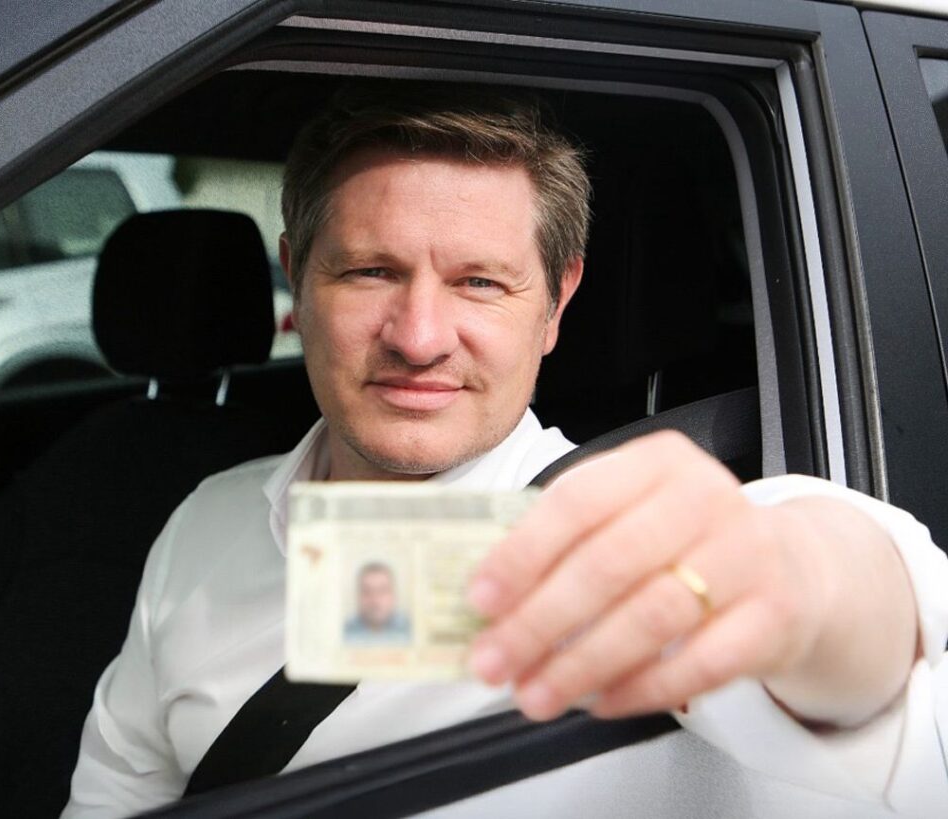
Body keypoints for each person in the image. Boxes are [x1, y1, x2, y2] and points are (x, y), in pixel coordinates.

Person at [62, 84, 948, 817]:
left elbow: (882, 653)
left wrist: (796, 574)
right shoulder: (208, 520)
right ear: (296, 276)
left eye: (479, 282)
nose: (418, 337)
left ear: (557, 302)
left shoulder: (634, 548)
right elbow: (114, 796)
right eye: (371, 271)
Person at [344, 561, 412, 643]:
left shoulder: (412, 630)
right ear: (358, 596)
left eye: (382, 591)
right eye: (367, 591)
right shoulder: (343, 632)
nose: (375, 600)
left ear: (393, 595)